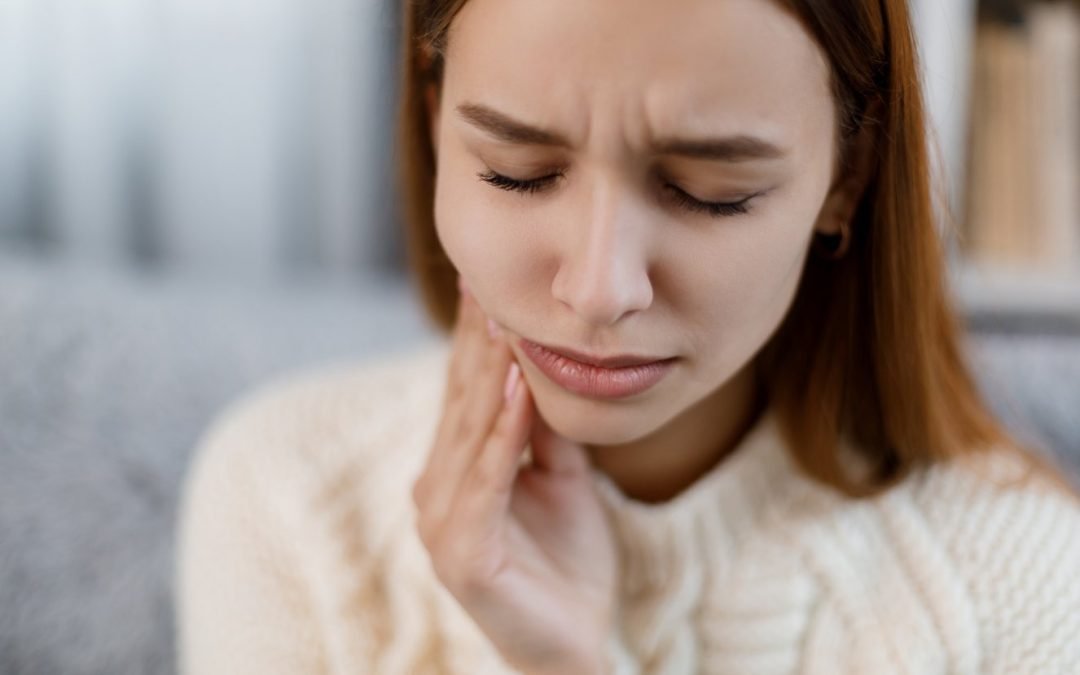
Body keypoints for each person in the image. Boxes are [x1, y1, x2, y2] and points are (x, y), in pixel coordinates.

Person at [175, 0, 1080, 673]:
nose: (599, 289)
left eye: (707, 190)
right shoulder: (287, 490)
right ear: (432, 123)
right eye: (518, 172)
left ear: (847, 180)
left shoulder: (1018, 579)